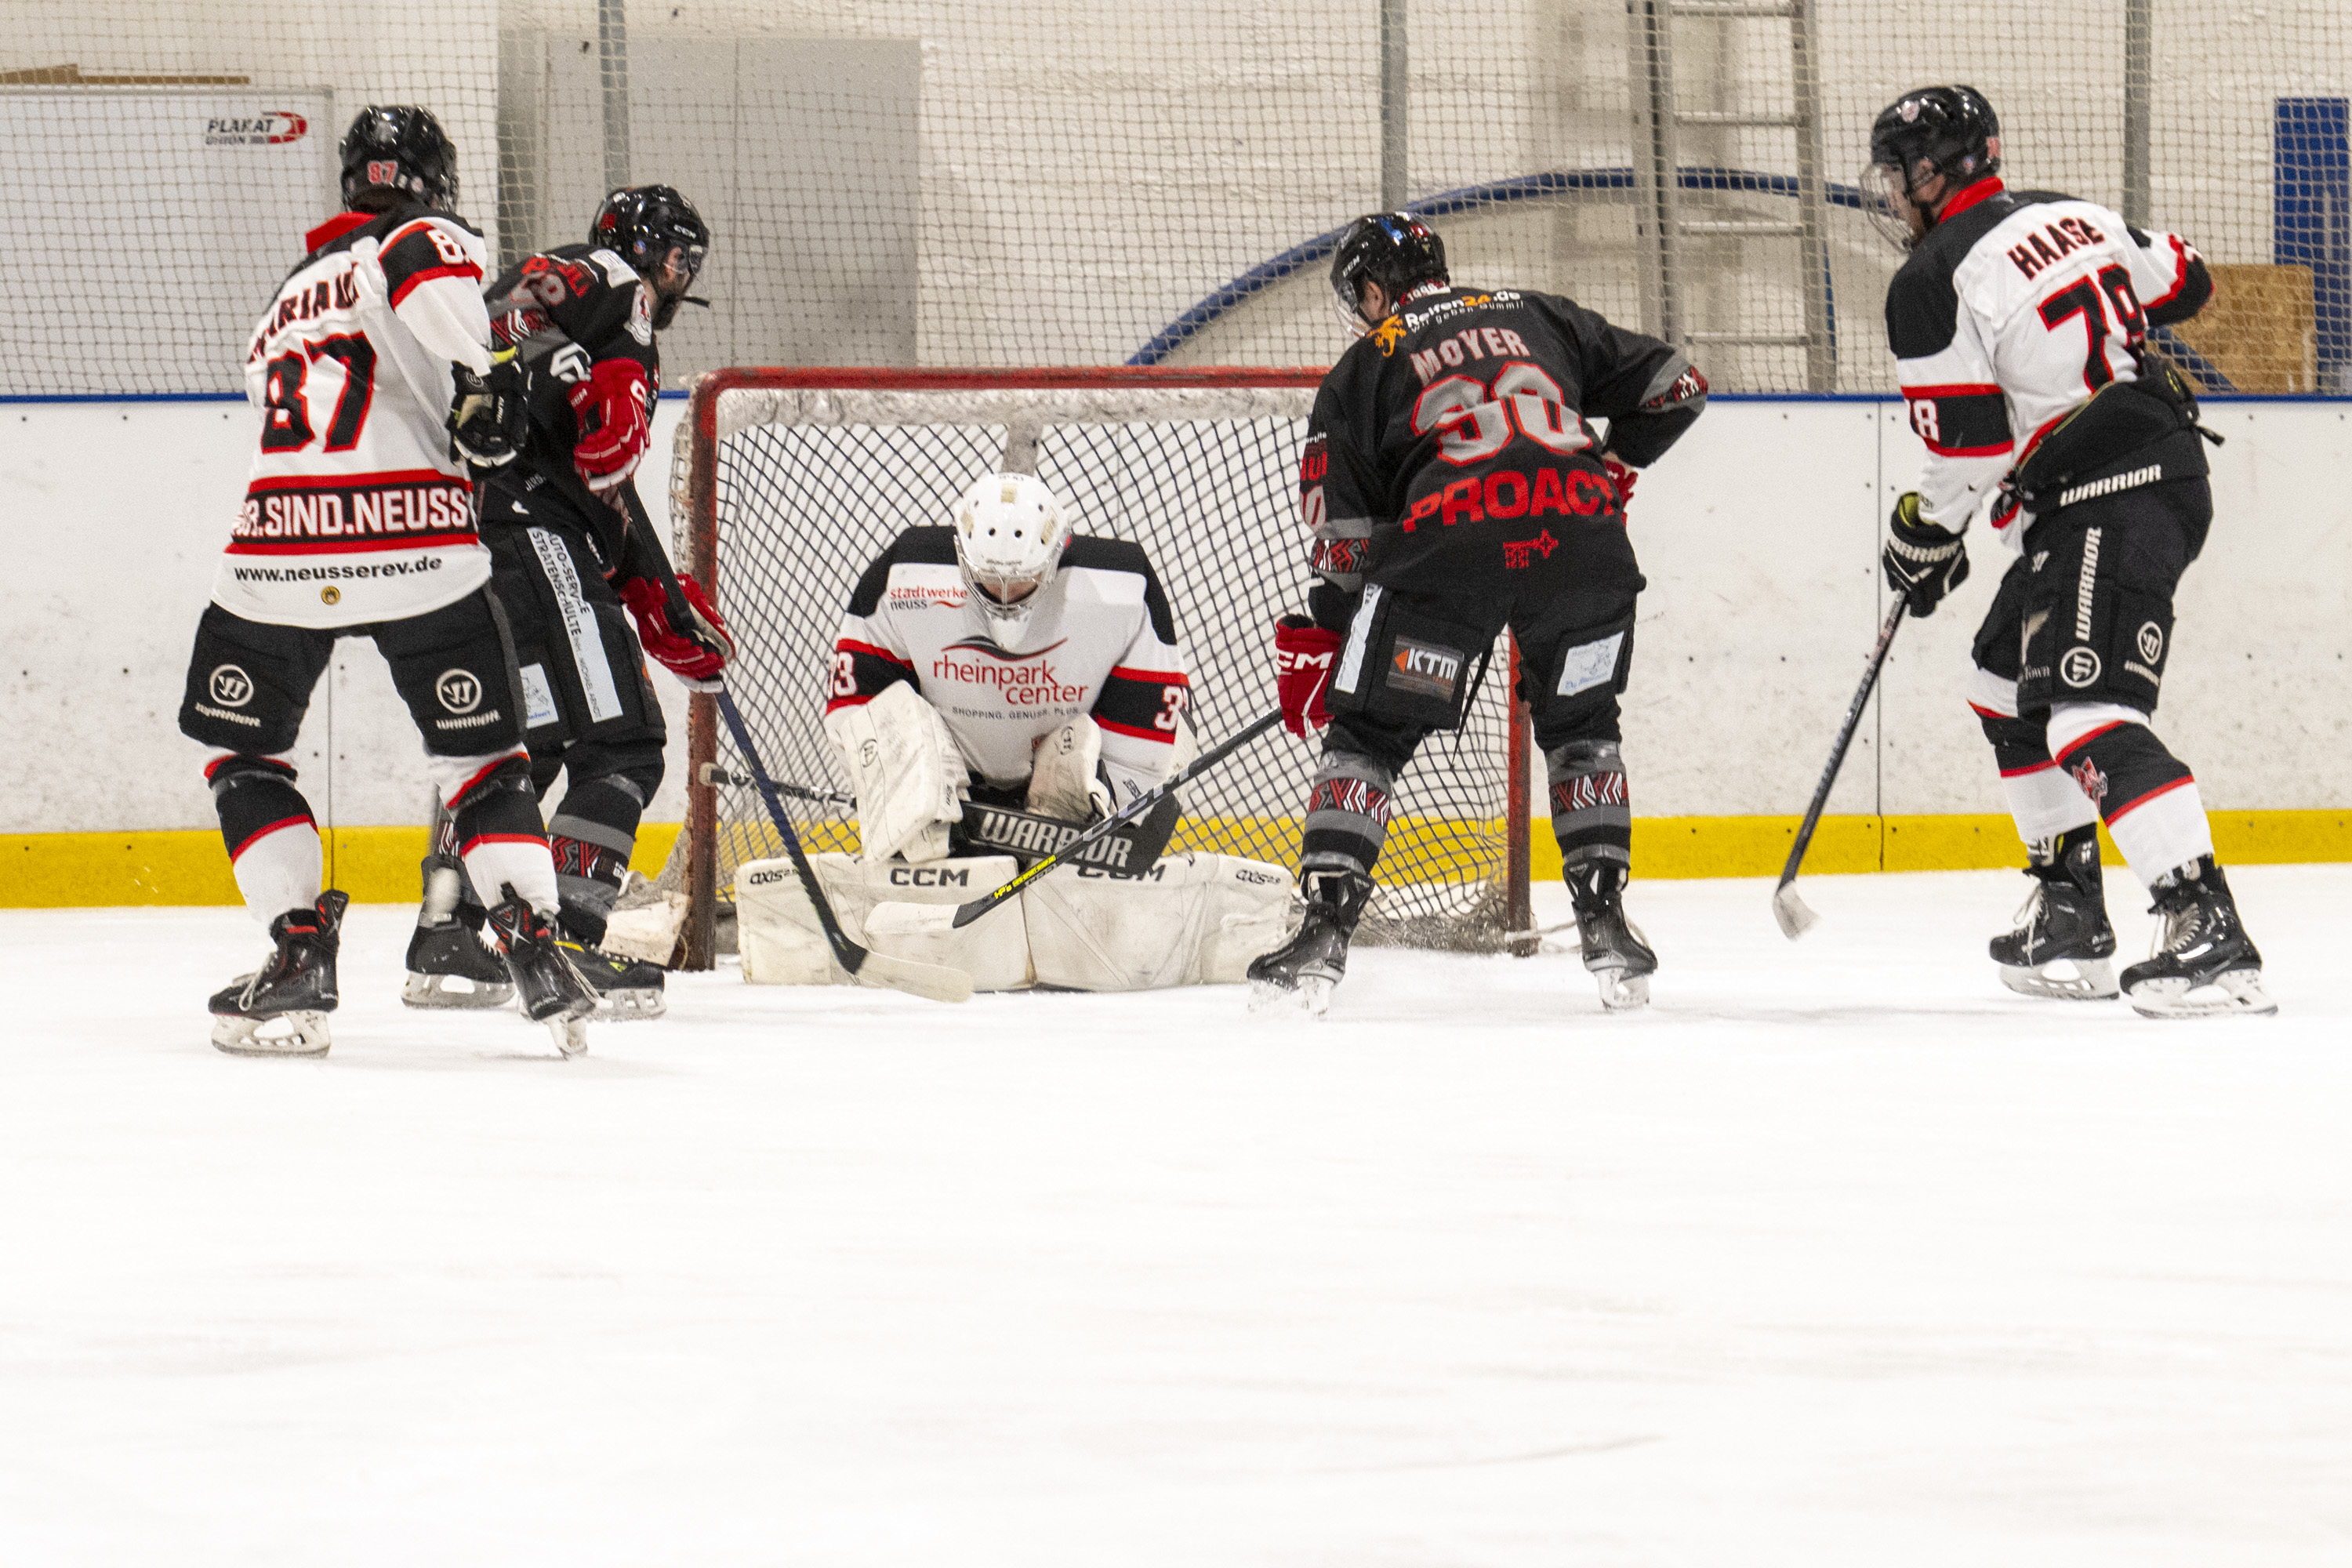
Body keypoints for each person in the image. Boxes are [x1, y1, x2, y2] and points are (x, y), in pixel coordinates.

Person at [180, 105, 594, 1058]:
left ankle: (295, 953)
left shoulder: (283, 297)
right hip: (418, 545)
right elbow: (424, 267)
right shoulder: (425, 235)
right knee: (487, 766)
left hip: (278, 555)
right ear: (435, 181)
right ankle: (533, 941)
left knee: (241, 759)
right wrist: (487, 374)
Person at [1866, 85, 2272, 1018]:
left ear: (1932, 174)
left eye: (1898, 176)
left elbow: (1964, 453)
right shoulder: (2072, 212)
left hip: (2112, 490)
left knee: (2085, 710)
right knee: (2003, 684)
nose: (1891, 195)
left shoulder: (1932, 279)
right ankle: (2068, 911)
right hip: (2127, 476)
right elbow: (2190, 280)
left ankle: (2204, 923)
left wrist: (1922, 534)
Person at [1245, 212, 1708, 1017]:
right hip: (1582, 545)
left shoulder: (1366, 362)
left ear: (1378, 288)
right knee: (1584, 725)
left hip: (1447, 553)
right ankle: (1606, 926)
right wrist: (1612, 468)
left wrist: (1334, 633)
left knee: (1368, 738)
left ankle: (1322, 935)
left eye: (1361, 292)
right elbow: (1680, 385)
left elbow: (1344, 545)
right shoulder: (1541, 315)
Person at [741, 471, 1288, 992]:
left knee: (1126, 768)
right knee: (897, 728)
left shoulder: (1121, 586)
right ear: (960, 555)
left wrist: (1119, 810)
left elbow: (1152, 715)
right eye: (988, 579)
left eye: (1021, 578)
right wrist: (902, 785)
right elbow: (855, 703)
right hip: (955, 783)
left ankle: (1067, 809)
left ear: (1056, 557)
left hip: (1069, 768)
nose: (1005, 594)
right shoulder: (905, 577)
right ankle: (941, 831)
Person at [401, 185, 735, 1019]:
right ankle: (570, 942)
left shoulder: (526, 316)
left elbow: (587, 480)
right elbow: (601, 461)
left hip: (465, 539)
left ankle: (449, 932)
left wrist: (651, 589)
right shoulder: (624, 292)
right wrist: (613, 368)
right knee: (624, 745)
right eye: (679, 256)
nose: (679, 276)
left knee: (521, 745)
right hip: (531, 538)